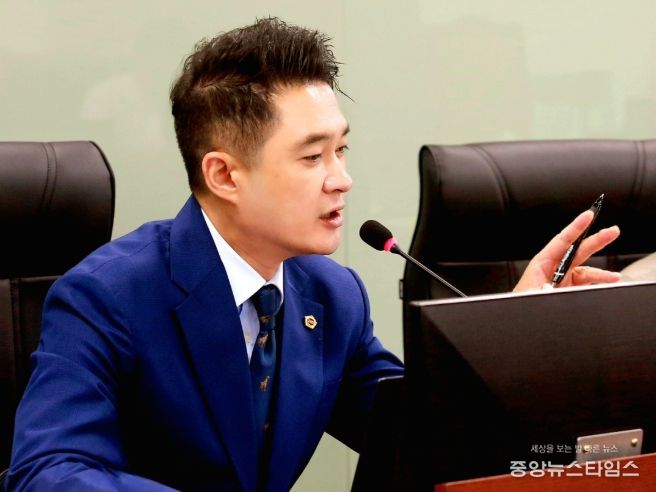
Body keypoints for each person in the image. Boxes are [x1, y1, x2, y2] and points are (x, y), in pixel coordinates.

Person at [6, 17, 621, 492]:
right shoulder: (108, 295)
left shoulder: (331, 294)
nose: (341, 180)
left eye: (341, 150)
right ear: (224, 174)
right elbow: (47, 471)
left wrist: (512, 334)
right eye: (311, 157)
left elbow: (420, 432)